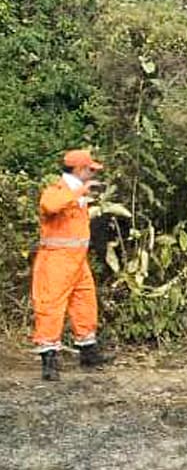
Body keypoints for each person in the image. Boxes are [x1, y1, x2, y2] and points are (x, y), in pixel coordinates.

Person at [31, 149, 110, 381]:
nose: (93, 173)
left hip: (77, 259)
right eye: (90, 169)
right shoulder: (57, 190)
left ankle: (88, 352)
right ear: (78, 170)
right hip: (55, 259)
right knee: (50, 307)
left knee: (85, 302)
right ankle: (49, 361)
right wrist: (80, 191)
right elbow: (49, 206)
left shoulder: (77, 193)